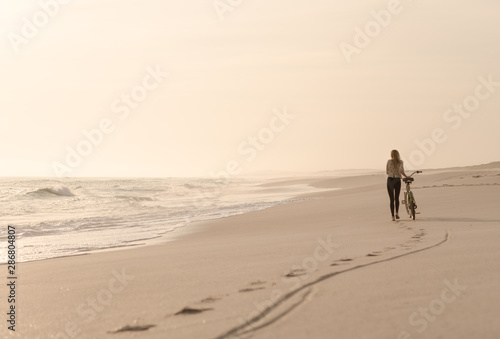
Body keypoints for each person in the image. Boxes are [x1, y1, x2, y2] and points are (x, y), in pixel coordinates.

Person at [386, 150, 407, 221]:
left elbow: (387, 171)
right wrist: (406, 176)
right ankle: (397, 213)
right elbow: (401, 171)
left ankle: (392, 216)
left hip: (390, 180)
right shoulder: (401, 162)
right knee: (397, 198)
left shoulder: (389, 161)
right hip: (397, 180)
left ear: (391, 155)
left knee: (391, 199)